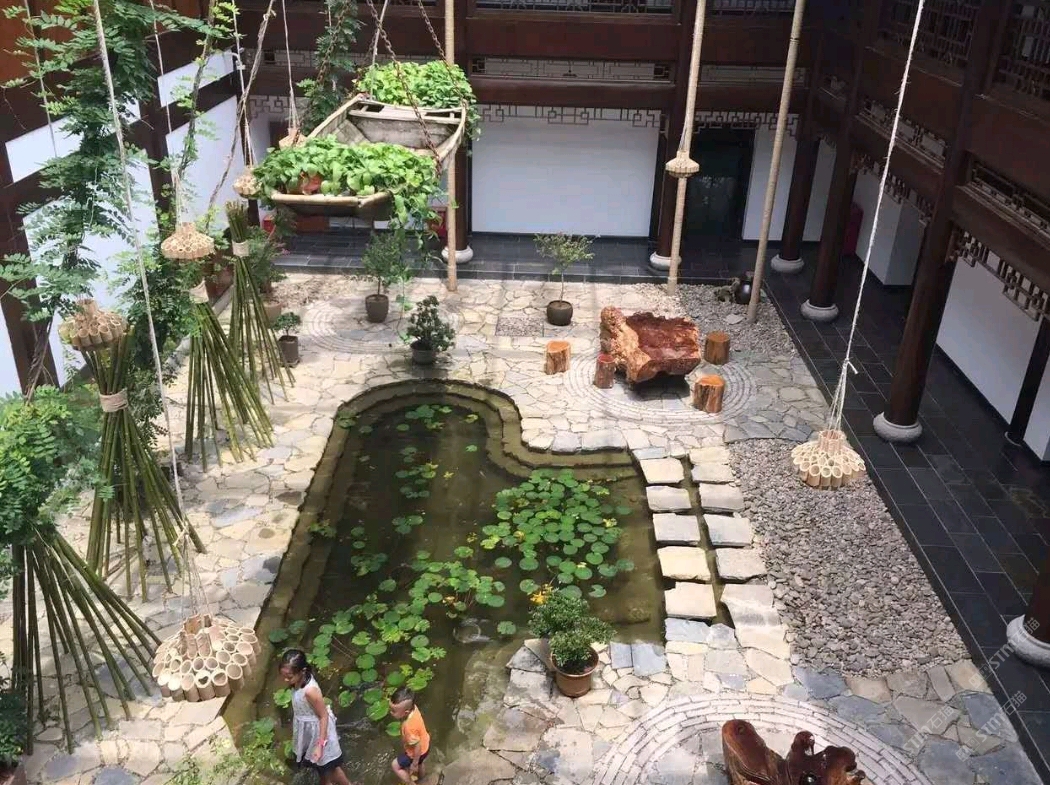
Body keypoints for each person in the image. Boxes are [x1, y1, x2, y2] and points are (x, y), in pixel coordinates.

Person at [279, 649, 353, 785]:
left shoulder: (310, 691)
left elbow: (323, 716)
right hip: (307, 730)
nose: (286, 680)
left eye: (289, 677)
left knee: (332, 767)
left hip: (319, 732)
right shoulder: (299, 680)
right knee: (321, 767)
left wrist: (320, 745)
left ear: (302, 671)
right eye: (284, 676)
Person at [389, 687, 430, 783]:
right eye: (390, 708)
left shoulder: (409, 727)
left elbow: (417, 746)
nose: (390, 712)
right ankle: (422, 779)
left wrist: (414, 764)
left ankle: (411, 783)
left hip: (417, 752)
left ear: (406, 712)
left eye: (393, 711)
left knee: (395, 765)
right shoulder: (414, 708)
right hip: (426, 745)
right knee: (420, 763)